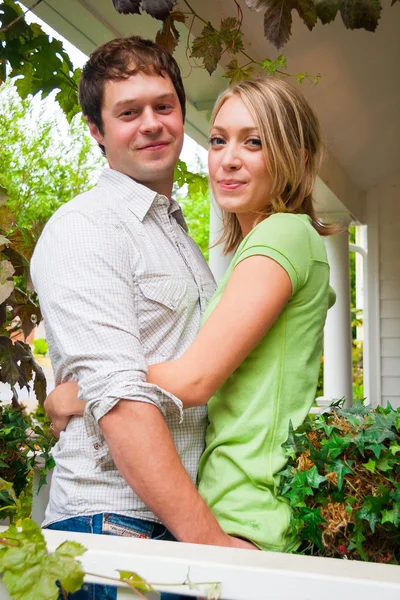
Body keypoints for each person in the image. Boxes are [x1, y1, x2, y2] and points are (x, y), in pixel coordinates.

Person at [45, 76, 336, 553]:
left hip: (246, 511)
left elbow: (197, 378)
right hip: (229, 504)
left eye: (255, 142)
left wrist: (76, 395)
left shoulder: (282, 234)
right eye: (219, 140)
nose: (228, 158)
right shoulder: (261, 247)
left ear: (298, 157)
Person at [31, 36, 253, 600]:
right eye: (128, 113)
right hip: (114, 530)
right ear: (97, 131)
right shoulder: (87, 228)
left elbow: (187, 370)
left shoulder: (176, 235)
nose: (151, 123)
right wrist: (212, 547)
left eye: (163, 106)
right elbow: (123, 405)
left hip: (170, 532)